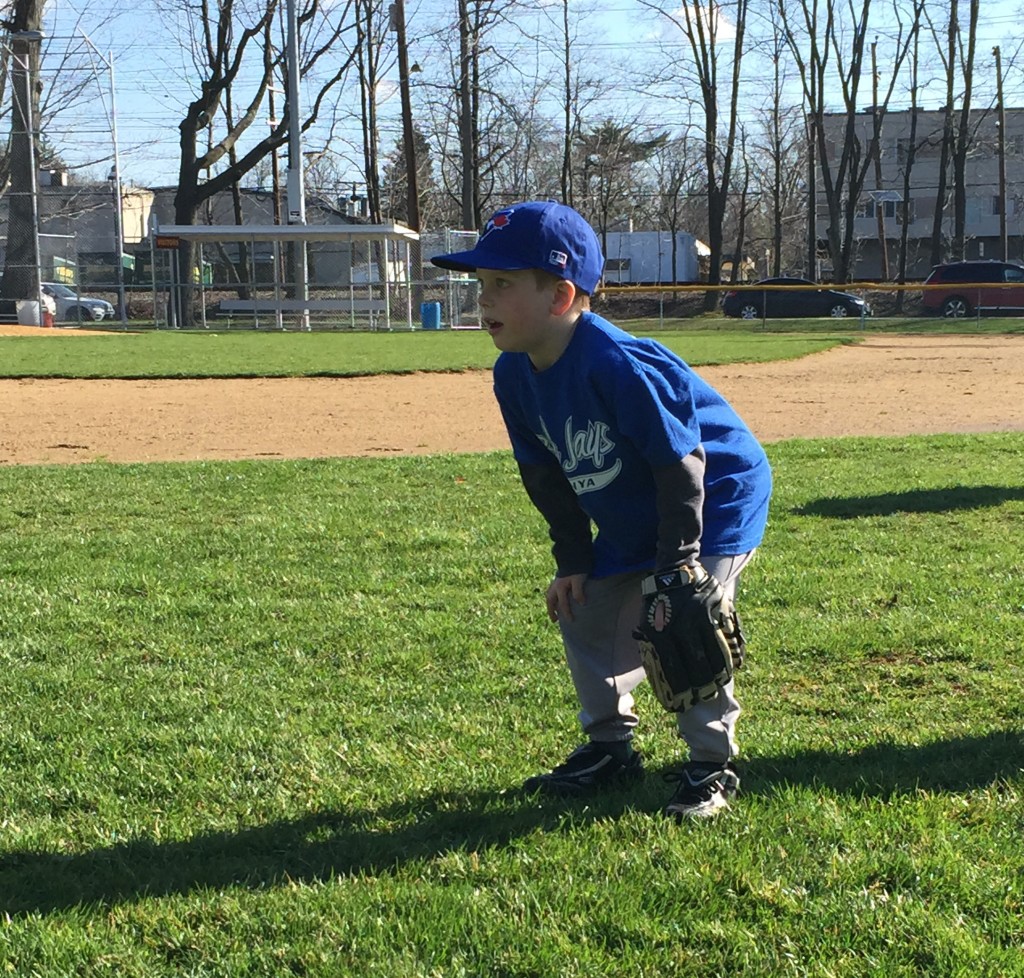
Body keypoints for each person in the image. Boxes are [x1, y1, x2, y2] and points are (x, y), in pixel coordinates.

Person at [430, 200, 772, 819]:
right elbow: (547, 479)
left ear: (561, 296)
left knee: (681, 620)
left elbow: (682, 467)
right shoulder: (513, 372)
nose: (483, 300)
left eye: (502, 284)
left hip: (712, 498)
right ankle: (612, 750)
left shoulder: (619, 363)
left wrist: (678, 567)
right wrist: (575, 560)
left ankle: (711, 765)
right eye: (481, 285)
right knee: (582, 610)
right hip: (636, 503)